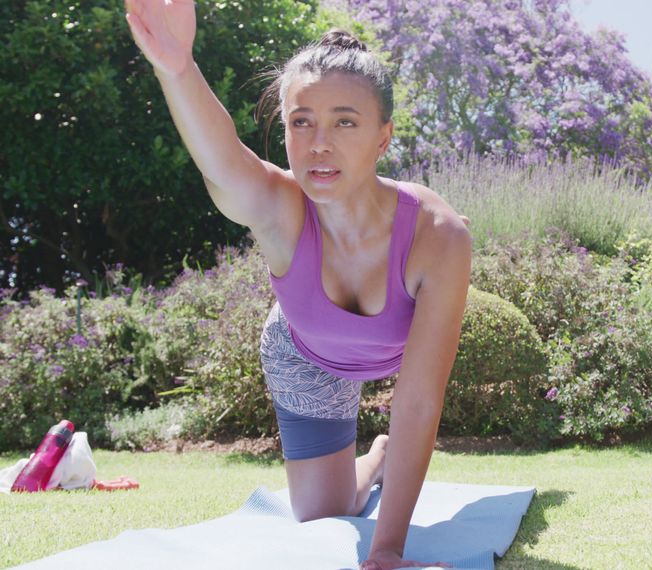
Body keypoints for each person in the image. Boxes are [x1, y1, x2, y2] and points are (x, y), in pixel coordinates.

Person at [125, 1, 471, 567]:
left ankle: (381, 462)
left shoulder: (439, 236)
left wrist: (387, 550)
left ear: (383, 137)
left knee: (365, 511)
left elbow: (417, 402)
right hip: (304, 353)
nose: (319, 144)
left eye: (345, 121)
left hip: (394, 350)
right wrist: (177, 67)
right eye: (300, 121)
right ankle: (373, 459)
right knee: (323, 516)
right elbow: (223, 164)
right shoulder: (280, 210)